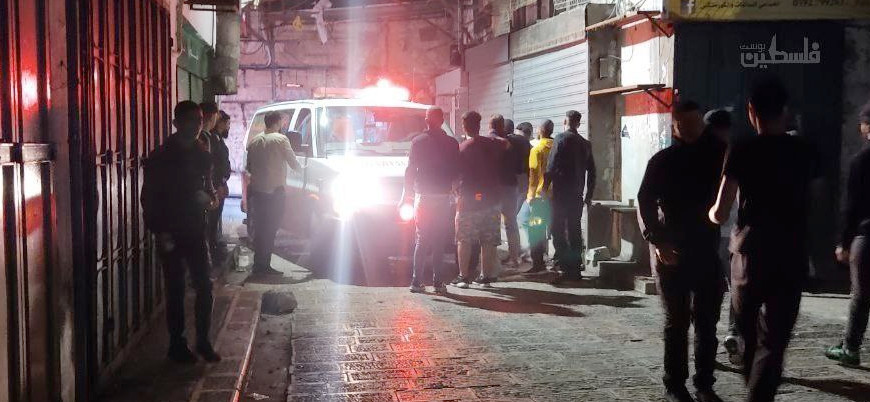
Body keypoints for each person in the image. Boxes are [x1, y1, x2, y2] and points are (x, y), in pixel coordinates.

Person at [709, 76, 821, 402]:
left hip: (750, 253)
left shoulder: (742, 148)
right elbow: (818, 202)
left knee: (746, 332)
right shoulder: (805, 150)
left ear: (751, 111)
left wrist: (710, 215)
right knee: (775, 340)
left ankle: (754, 391)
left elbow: (721, 210)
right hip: (791, 252)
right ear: (785, 111)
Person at [638, 101, 727, 402]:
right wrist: (656, 240)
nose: (691, 130)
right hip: (671, 251)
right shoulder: (663, 161)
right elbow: (645, 201)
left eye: (695, 124)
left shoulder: (718, 155)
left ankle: (705, 385)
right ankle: (674, 386)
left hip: (706, 250)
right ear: (675, 127)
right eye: (684, 124)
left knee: (707, 322)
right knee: (676, 322)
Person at [141, 101, 221, 363]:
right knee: (175, 288)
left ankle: (203, 342)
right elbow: (149, 198)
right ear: (176, 124)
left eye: (199, 120)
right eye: (190, 120)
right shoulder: (161, 157)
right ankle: (177, 344)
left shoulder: (203, 155)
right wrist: (160, 231)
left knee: (205, 286)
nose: (196, 126)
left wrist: (210, 200)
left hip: (195, 230)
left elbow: (210, 192)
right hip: (170, 231)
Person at [825, 102, 870, 366]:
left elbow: (851, 207)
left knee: (861, 294)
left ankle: (851, 348)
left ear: (866, 127)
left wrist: (843, 242)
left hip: (867, 236)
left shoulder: (861, 161)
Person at [400, 107, 460, 294]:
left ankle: (416, 281)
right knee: (439, 240)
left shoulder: (417, 142)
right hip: (443, 196)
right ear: (442, 121)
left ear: (426, 121)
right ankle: (438, 282)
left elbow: (410, 170)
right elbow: (457, 170)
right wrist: (454, 189)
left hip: (423, 196)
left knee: (422, 238)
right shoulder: (452, 143)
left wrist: (406, 195)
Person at [704, 108, 742, 365]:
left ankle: (706, 344)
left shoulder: (694, 156)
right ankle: (733, 333)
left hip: (705, 234)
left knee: (708, 290)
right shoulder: (735, 154)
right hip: (732, 233)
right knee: (737, 288)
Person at [455, 111, 507, 288]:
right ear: (479, 125)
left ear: (464, 126)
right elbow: (507, 144)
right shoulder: (493, 143)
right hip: (492, 200)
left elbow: (457, 175)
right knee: (489, 240)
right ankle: (486, 277)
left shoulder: (463, 148)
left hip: (469, 201)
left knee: (464, 239)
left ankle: (463, 277)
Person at [246, 111, 302, 275]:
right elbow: (294, 164)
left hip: (258, 192)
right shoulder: (281, 140)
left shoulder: (254, 141)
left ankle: (258, 264)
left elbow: (249, 167)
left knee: (260, 228)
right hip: (275, 193)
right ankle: (264, 265)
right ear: (278, 122)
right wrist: (303, 170)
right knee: (270, 229)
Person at [545, 110, 596, 282]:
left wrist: (544, 188)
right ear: (578, 124)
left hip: (560, 194)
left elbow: (551, 166)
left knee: (557, 229)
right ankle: (575, 269)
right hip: (577, 195)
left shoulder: (560, 139)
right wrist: (589, 195)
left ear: (565, 121)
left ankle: (564, 266)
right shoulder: (585, 144)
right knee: (574, 230)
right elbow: (592, 171)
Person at [487, 115, 526, 267]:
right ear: (502, 126)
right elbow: (520, 166)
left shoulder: (489, 141)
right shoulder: (515, 142)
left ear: (490, 125)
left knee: (493, 222)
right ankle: (514, 258)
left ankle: (492, 259)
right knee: (511, 222)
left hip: (493, 188)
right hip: (510, 186)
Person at [524, 120, 555, 273]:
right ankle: (557, 262)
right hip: (556, 196)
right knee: (555, 228)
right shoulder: (557, 146)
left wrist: (530, 195)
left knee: (535, 229)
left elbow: (533, 175)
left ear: (540, 131)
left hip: (538, 197)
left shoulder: (537, 150)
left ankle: (538, 263)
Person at [204, 109, 232, 260]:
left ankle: (213, 246)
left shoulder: (217, 139)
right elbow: (214, 165)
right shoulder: (212, 140)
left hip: (220, 183)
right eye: (227, 123)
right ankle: (211, 250)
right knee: (212, 218)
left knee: (215, 218)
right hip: (216, 185)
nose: (228, 127)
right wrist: (219, 183)